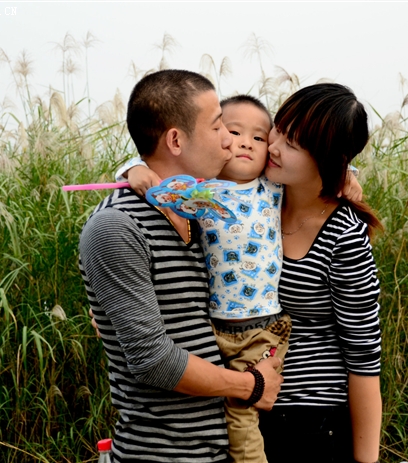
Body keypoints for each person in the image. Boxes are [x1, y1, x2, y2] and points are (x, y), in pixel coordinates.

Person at [119, 94, 363, 463]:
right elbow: (159, 174)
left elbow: (313, 162)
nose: (246, 143)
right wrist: (132, 169)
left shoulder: (272, 188)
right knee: (210, 407)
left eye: (259, 137)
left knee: (241, 413)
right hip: (211, 329)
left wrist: (348, 174)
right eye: (233, 132)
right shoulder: (200, 189)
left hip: (263, 329)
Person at [78, 70, 283, 463]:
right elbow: (152, 360)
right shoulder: (116, 226)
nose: (229, 139)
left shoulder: (199, 214)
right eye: (218, 126)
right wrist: (249, 386)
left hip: (220, 450)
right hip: (163, 455)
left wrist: (345, 178)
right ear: (175, 140)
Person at [258, 83, 383, 463]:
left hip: (309, 422)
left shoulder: (343, 236)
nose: (274, 146)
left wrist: (366, 460)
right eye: (278, 129)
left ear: (328, 159)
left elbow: (364, 357)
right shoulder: (255, 196)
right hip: (241, 406)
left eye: (293, 143)